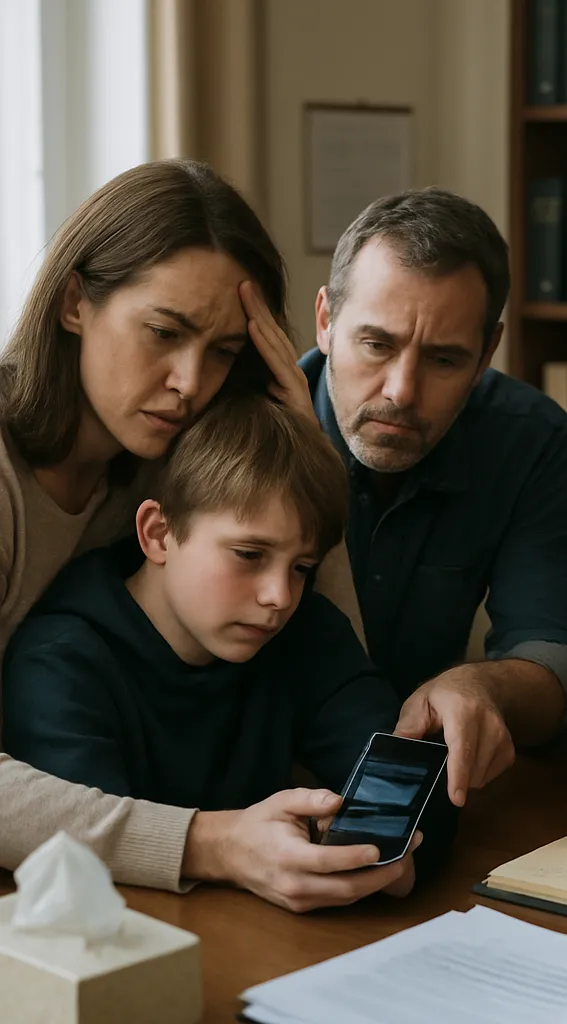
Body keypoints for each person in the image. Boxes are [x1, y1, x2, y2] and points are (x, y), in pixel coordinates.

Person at [0, 159, 418, 912]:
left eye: (224, 352)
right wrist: (212, 842)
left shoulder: (164, 464)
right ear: (73, 302)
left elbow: (318, 647)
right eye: (164, 332)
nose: (191, 383)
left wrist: (302, 452)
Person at [2, 394, 429, 906]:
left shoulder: (304, 632)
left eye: (301, 567)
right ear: (158, 534)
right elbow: (90, 864)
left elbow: (413, 798)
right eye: (250, 555)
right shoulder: (59, 660)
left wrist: (370, 859)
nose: (280, 596)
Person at [302, 188, 567, 808]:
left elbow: (559, 667)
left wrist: (482, 686)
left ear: (487, 353)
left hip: (427, 795)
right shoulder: (249, 428)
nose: (402, 391)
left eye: (443, 359)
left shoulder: (530, 441)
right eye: (377, 345)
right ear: (326, 321)